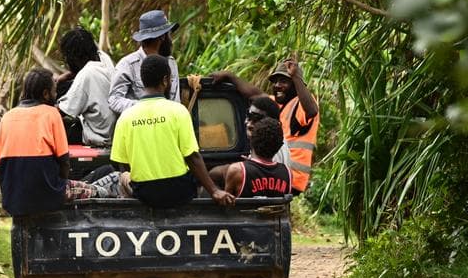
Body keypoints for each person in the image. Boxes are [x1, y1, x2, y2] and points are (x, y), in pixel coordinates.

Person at [111, 54, 235, 208]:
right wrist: (214, 190)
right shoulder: (178, 111)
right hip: (180, 192)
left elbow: (122, 163)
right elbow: (192, 157)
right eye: (170, 79)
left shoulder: (125, 117)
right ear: (165, 80)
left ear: (143, 81)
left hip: (144, 195)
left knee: (122, 177)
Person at [0, 69, 98, 215]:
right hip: (49, 197)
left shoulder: (7, 117)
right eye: (54, 91)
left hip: (13, 202)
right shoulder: (52, 114)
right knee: (103, 185)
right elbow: (64, 162)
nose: (56, 95)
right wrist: (60, 187)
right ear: (46, 94)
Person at [212, 56, 320, 194]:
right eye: (275, 82)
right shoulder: (278, 104)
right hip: (272, 169)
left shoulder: (302, 104)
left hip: (290, 176)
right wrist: (230, 76)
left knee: (222, 173)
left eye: (283, 81)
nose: (277, 85)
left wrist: (296, 77)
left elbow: (312, 111)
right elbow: (255, 94)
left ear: (295, 85)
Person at [108, 9, 181, 116]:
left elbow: (176, 101)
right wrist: (144, 107)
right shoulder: (128, 65)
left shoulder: (171, 63)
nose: (171, 40)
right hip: (140, 124)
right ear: (162, 37)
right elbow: (114, 100)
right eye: (169, 34)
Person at [55, 28, 115, 147]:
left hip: (99, 135)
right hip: (110, 128)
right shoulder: (103, 58)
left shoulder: (87, 74)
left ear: (74, 58)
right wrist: (65, 76)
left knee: (55, 125)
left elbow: (61, 111)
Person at [222, 117, 292, 198]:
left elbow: (226, 204)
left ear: (252, 139)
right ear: (279, 146)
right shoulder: (287, 173)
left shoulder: (237, 170)